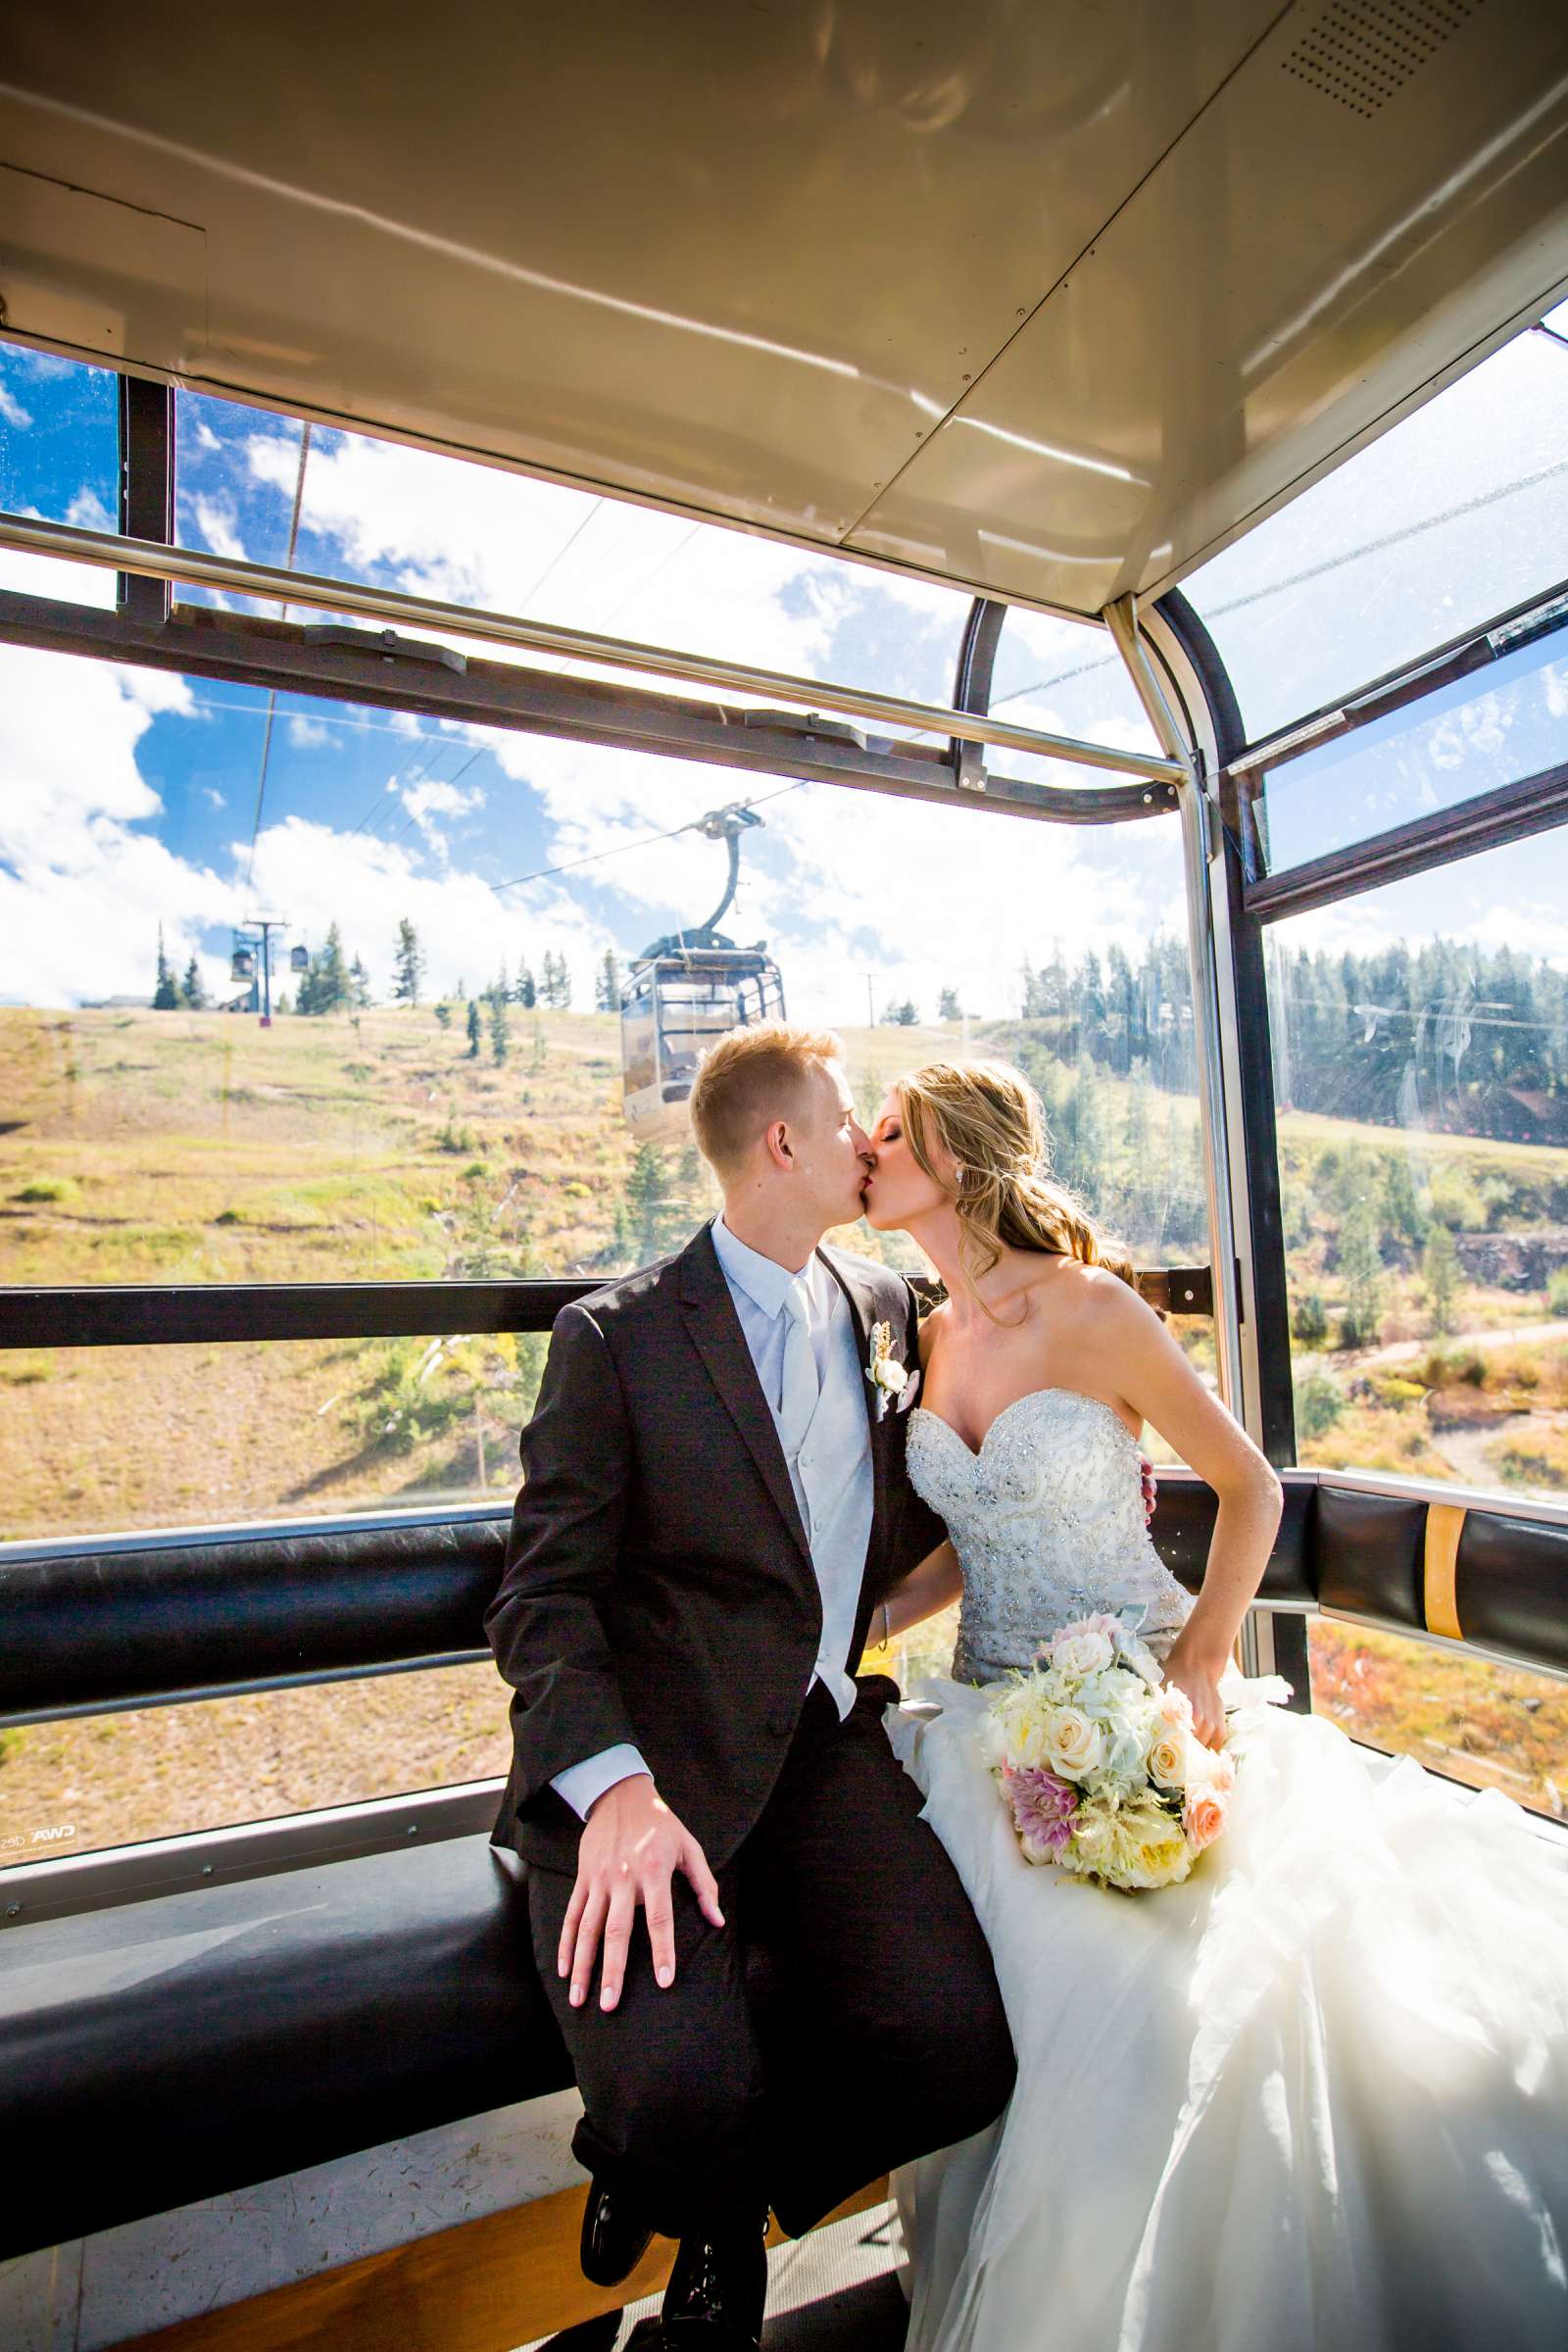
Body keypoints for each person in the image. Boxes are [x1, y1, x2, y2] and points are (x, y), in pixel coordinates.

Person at [861, 1054, 1568, 2352]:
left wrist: (1196, 1659)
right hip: (980, 1721)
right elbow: (978, 1530)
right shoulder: (934, 1326)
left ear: (951, 1158)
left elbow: (1252, 1487)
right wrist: (856, 1627)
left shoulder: (1094, 1311)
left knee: (1143, 2013)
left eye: (889, 1127)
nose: (862, 1141)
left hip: (1131, 1686)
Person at [482, 1022, 1016, 2352]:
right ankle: (690, 2190)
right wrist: (612, 1796)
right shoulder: (617, 1337)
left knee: (956, 2051)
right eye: (850, 1126)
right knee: (676, 2093)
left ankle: (707, 2186)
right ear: (782, 1143)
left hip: (827, 1747)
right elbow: (540, 1596)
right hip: (658, 1772)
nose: (869, 1148)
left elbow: (918, 1501)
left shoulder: (889, 1312)